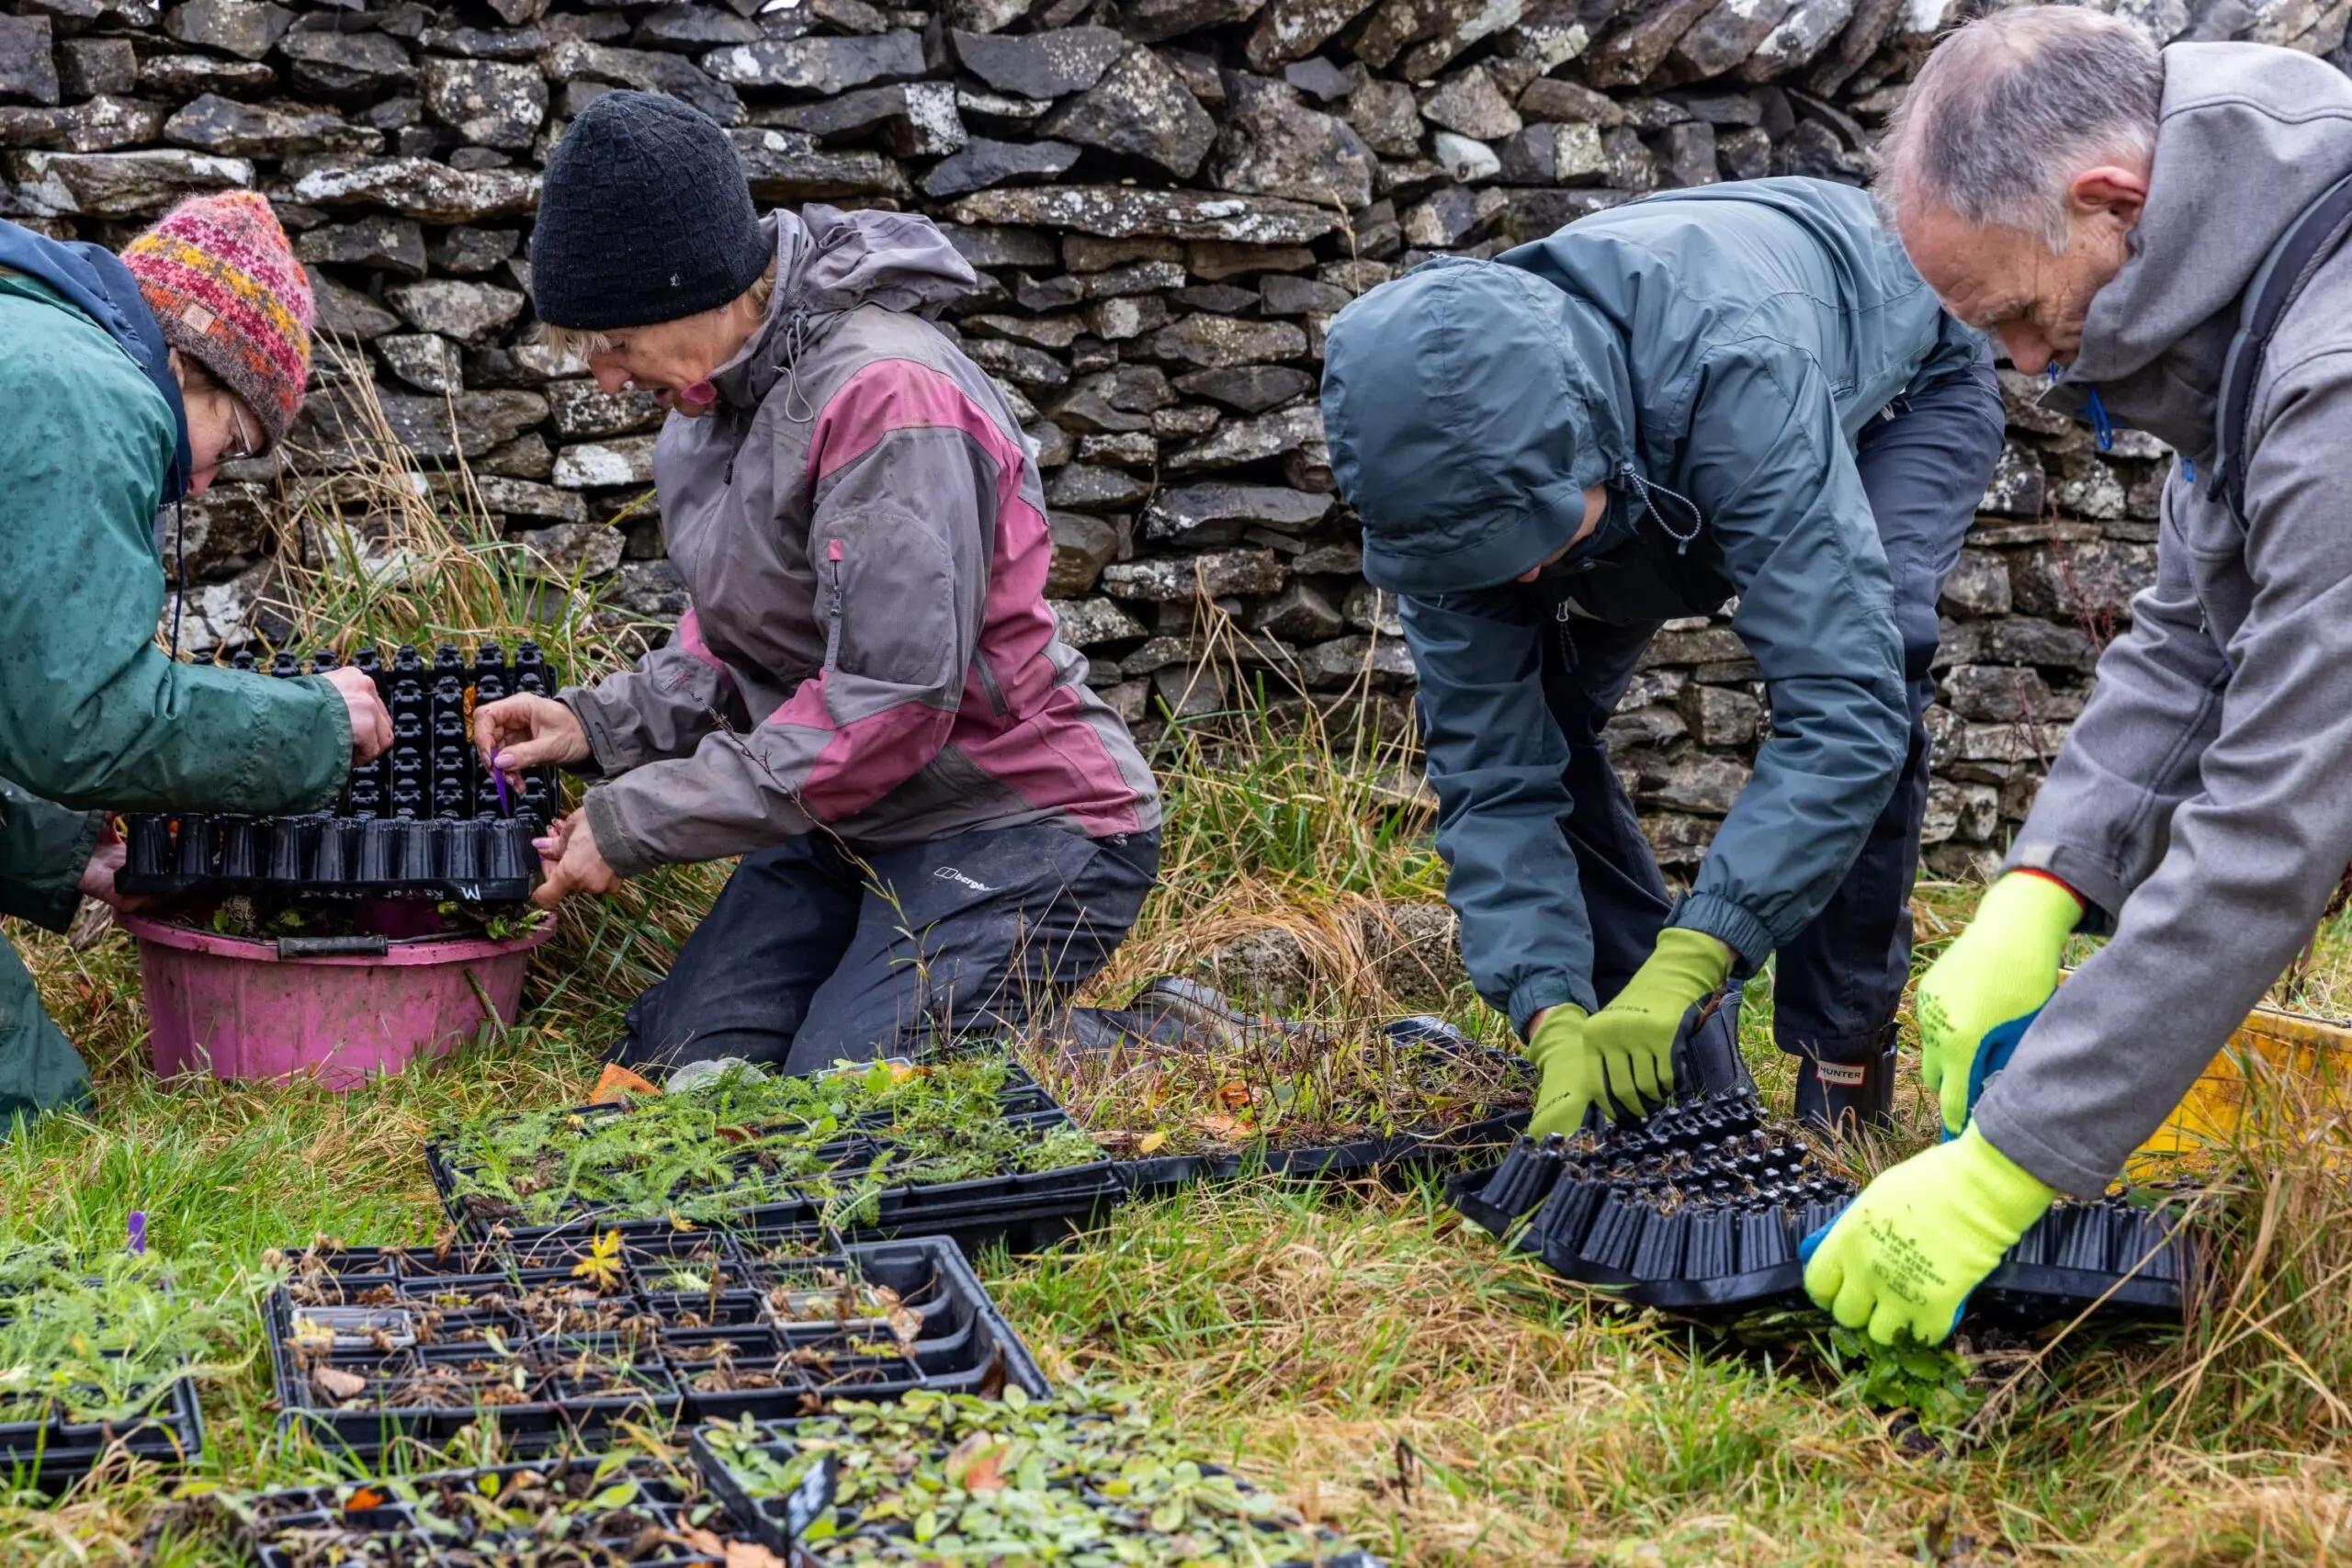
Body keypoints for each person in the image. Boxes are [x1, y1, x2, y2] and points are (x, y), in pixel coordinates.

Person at [1802, 6, 2352, 1345]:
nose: (2030, 367)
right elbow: (2193, 623)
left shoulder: (2336, 378)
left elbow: (2280, 818)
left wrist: (2011, 1164)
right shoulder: (2258, 264)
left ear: (2112, 200)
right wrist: (2042, 887)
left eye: (2023, 317)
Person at [474, 93, 1161, 1078]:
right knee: (678, 1072)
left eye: (614, 345)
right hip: (848, 824)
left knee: (847, 1106)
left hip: (1021, 822)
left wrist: (635, 823)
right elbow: (738, 645)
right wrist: (597, 726)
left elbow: (888, 703)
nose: (606, 382)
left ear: (693, 291)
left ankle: (1157, 1048)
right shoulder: (708, 410)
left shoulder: (889, 399)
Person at [1319, 177, 2002, 1138]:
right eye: (1482, 560)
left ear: (1587, 444)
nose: (1518, 583)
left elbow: (1840, 712)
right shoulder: (1441, 499)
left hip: (1897, 394)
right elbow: (1495, 777)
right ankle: (1668, 1067)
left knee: (1877, 654)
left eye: (1533, 541)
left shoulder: (1734, 375)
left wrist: (1705, 947)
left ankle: (1837, 1075)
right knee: (1545, 718)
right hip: (1647, 463)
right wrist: (1544, 1000)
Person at [0, 190, 391, 1122]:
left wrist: (53, 850)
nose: (208, 477)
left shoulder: (28, 346)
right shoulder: (87, 397)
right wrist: (313, 726)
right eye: (238, 439)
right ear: (187, 364)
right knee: (35, 1125)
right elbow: (81, 720)